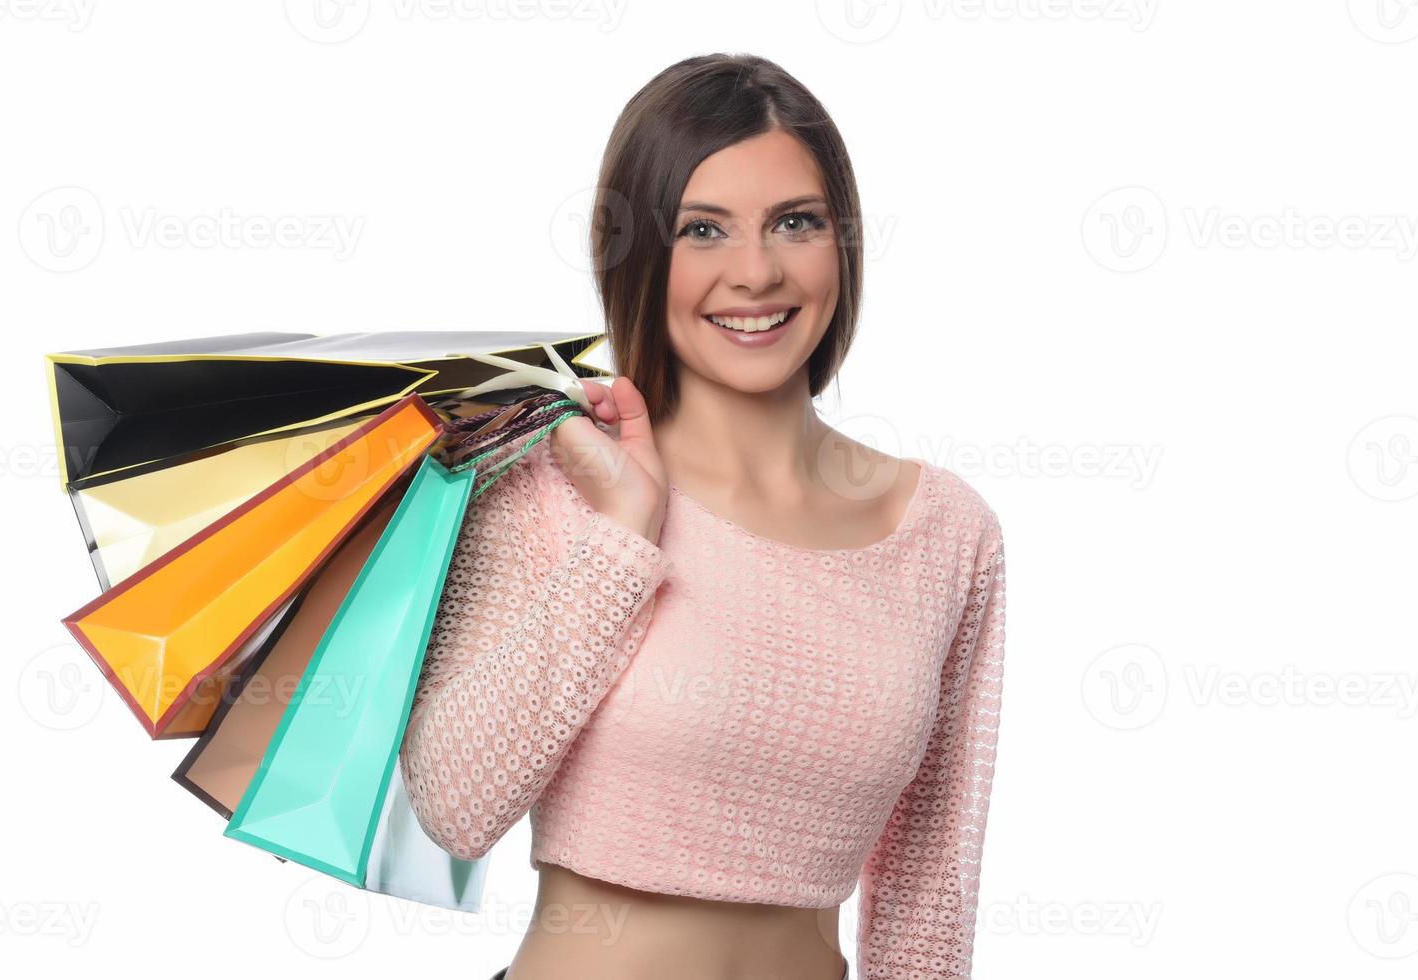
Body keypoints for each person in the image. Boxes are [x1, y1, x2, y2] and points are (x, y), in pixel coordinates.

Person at [399, 52, 1008, 980]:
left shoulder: (946, 533)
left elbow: (928, 884)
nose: (756, 272)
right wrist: (622, 538)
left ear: (841, 242)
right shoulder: (551, 487)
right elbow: (455, 805)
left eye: (794, 223)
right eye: (703, 230)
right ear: (642, 257)